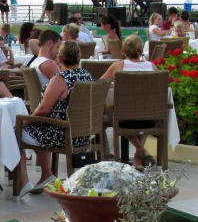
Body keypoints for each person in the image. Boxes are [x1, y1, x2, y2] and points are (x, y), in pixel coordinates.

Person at [18, 38, 94, 195]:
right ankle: (46, 175)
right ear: (79, 57)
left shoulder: (60, 80)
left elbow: (44, 110)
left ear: (58, 58)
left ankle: (23, 181)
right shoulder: (87, 76)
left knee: (15, 131)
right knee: (36, 127)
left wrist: (24, 122)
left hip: (61, 134)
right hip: (83, 134)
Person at [102, 35, 157, 168]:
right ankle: (138, 158)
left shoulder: (119, 66)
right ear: (140, 50)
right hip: (150, 118)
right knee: (145, 112)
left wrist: (114, 85)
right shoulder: (152, 67)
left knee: (112, 114)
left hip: (124, 118)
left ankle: (139, 149)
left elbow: (101, 83)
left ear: (124, 50)